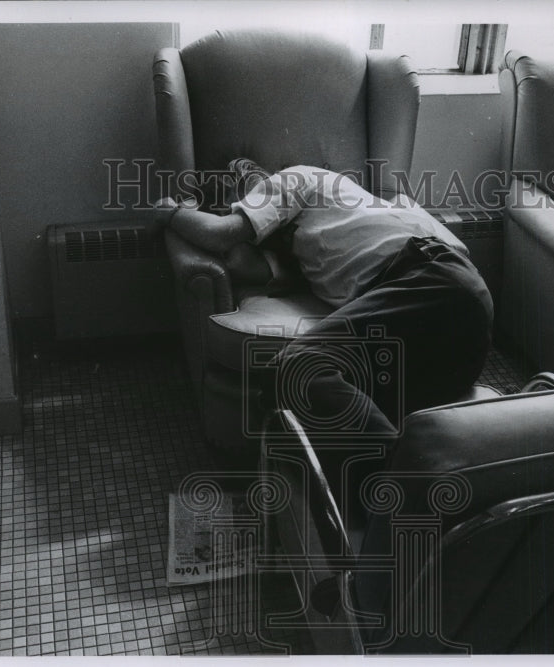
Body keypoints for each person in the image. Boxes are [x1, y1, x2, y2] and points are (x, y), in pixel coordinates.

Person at [155, 161, 494, 500]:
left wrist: (170, 213)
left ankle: (401, 493)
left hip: (428, 278)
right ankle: (390, 500)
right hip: (440, 315)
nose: (240, 208)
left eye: (238, 200)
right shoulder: (305, 240)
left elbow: (222, 233)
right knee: (340, 405)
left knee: (296, 367)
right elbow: (238, 262)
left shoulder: (294, 178)